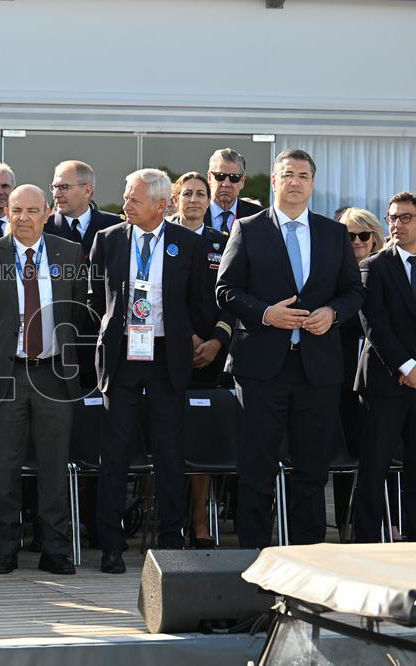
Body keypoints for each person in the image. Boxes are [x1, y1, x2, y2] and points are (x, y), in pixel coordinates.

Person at [216, 148, 364, 549]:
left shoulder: (333, 233)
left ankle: (309, 555)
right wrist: (266, 314)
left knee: (313, 472)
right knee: (256, 469)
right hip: (261, 368)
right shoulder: (248, 228)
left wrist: (333, 313)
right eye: (287, 174)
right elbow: (225, 291)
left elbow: (354, 291)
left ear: (312, 184)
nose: (295, 181)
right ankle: (253, 557)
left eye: (303, 175)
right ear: (275, 182)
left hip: (317, 368)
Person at [89, 169, 207, 573]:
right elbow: (94, 295)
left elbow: (198, 301)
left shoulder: (187, 244)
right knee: (115, 453)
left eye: (133, 200)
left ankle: (171, 541)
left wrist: (195, 337)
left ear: (161, 205)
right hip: (122, 357)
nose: (125, 206)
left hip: (165, 357)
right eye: (125, 197)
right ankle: (110, 545)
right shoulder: (108, 240)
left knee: (169, 454)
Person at [0, 184, 86, 575]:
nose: (23, 217)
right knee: (5, 466)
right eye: (15, 209)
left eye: (32, 210)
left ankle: (54, 548)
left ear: (47, 212)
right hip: (8, 374)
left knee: (55, 466)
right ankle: (5, 546)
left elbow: (80, 313)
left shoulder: (69, 253)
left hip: (54, 374)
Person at [354, 193, 416, 543]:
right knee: (373, 468)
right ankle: (365, 545)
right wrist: (406, 364)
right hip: (384, 382)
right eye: (392, 218)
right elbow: (375, 325)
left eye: (405, 218)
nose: (396, 225)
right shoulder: (373, 266)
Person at [171, 171, 235, 548]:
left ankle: (199, 523)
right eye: (188, 193)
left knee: (202, 442)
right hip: (170, 353)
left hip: (212, 356)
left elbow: (234, 296)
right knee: (169, 440)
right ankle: (169, 520)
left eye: (201, 194)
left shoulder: (223, 243)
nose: (194, 200)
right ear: (176, 198)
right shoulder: (165, 239)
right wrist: (188, 337)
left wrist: (216, 340)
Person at [45, 160, 121, 393]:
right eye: (54, 187)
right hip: (57, 344)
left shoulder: (114, 227)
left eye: (64, 187)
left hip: (103, 340)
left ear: (88, 189)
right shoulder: (44, 229)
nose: (57, 194)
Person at [333, 207, 384, 541]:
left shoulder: (384, 272)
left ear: (374, 238)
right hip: (338, 377)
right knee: (342, 459)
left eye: (363, 235)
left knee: (374, 457)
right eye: (348, 235)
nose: (356, 241)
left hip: (378, 378)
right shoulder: (331, 274)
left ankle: (373, 528)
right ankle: (342, 524)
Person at [204, 148, 263, 234]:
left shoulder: (257, 216)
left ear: (242, 180)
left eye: (234, 177)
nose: (226, 184)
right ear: (209, 178)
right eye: (220, 176)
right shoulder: (196, 212)